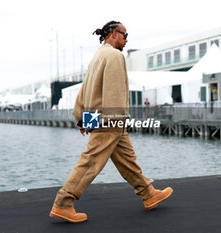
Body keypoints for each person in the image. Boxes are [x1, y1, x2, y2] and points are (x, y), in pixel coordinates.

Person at [49, 21, 173, 223]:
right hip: (110, 119)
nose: (126, 39)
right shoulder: (115, 56)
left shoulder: (97, 56)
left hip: (98, 116)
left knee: (127, 158)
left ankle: (148, 193)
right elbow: (115, 92)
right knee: (92, 160)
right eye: (125, 34)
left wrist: (82, 118)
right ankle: (63, 202)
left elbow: (86, 89)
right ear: (113, 34)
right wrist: (117, 121)